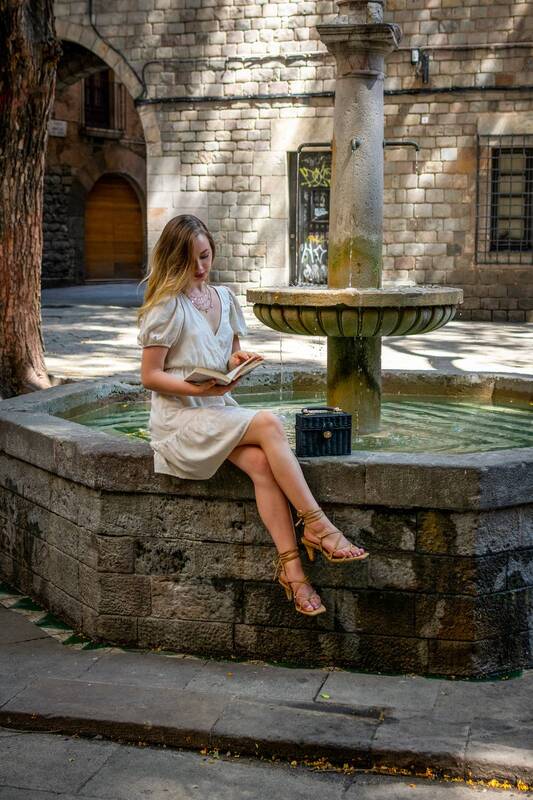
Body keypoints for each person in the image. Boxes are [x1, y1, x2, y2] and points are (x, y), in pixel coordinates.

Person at [137, 214, 368, 617]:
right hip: (180, 420)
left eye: (205, 256)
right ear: (173, 259)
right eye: (190, 260)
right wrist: (195, 388)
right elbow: (149, 376)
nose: (200, 267)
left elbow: (227, 355)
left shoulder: (224, 299)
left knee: (262, 463)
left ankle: (293, 572)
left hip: (217, 409)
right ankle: (318, 525)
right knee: (269, 422)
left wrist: (237, 363)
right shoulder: (165, 306)